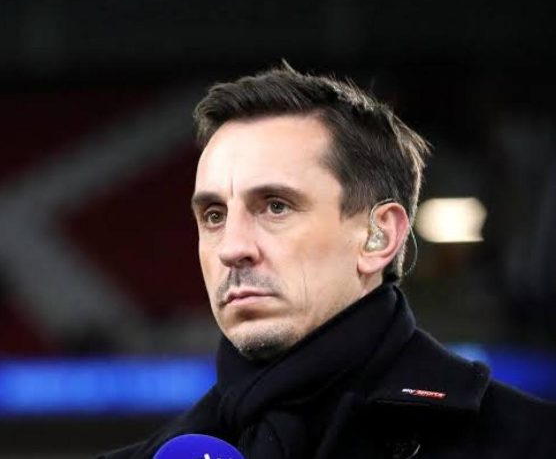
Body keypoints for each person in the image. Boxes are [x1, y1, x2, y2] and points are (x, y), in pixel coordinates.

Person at [101, 65, 556, 458]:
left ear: (379, 236)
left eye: (275, 206)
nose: (231, 248)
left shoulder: (528, 443)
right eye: (214, 215)